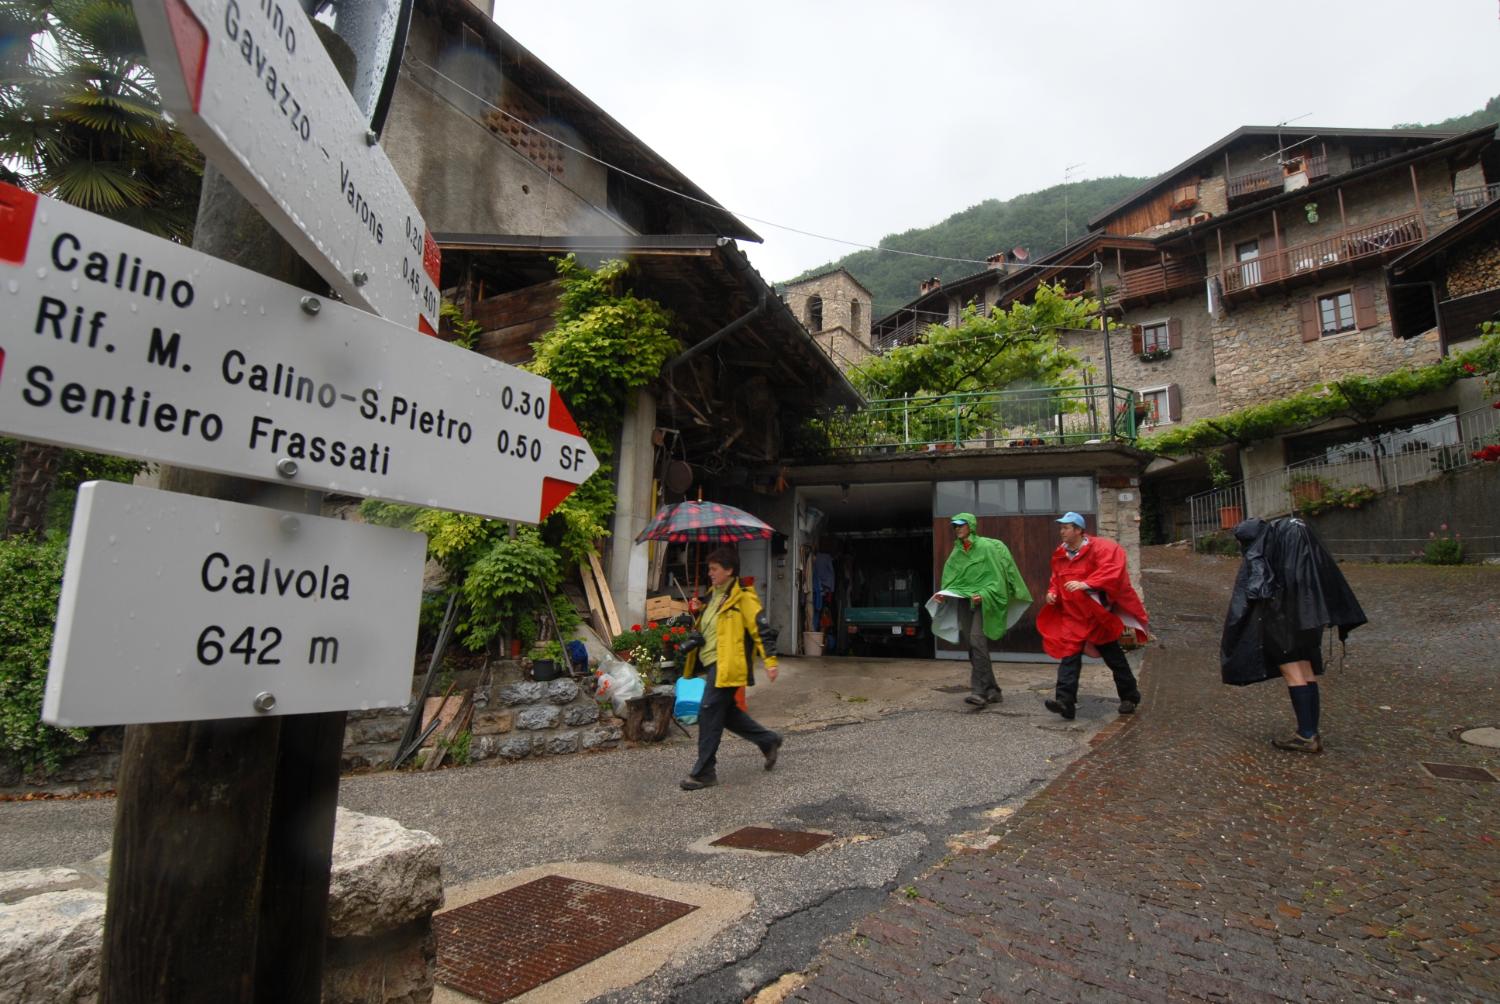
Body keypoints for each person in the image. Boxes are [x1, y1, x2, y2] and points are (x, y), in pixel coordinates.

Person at [1220, 517, 1366, 753]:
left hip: (1280, 621)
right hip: (1306, 618)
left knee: (1293, 671)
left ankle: (1306, 734)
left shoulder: (1262, 549)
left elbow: (1258, 588)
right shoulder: (1294, 541)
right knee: (1306, 669)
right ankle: (1311, 730)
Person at [678, 546, 782, 790]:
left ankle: (704, 772)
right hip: (713, 662)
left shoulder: (743, 597)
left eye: (714, 569)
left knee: (708, 711)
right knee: (727, 714)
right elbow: (711, 628)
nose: (710, 573)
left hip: (728, 665)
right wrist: (698, 611)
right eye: (709, 569)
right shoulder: (713, 596)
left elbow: (760, 628)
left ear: (729, 570)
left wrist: (770, 661)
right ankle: (768, 740)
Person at [1035, 512, 1150, 720]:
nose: (1061, 531)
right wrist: (1053, 593)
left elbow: (1111, 571)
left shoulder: (1101, 549)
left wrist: (1086, 584)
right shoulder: (1061, 553)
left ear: (1078, 530)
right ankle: (1065, 702)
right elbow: (1056, 578)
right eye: (1061, 528)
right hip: (1072, 617)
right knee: (1069, 658)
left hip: (1097, 617)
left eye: (1066, 527)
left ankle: (1129, 697)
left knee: (1115, 659)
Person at [928, 513, 1032, 707]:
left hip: (984, 602)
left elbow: (997, 579)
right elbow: (953, 579)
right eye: (954, 526)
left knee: (977, 641)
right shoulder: (956, 552)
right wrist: (944, 593)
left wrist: (983, 594)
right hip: (963, 602)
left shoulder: (985, 547)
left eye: (961, 525)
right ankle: (993, 689)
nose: (957, 528)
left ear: (971, 526)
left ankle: (979, 692)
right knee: (974, 645)